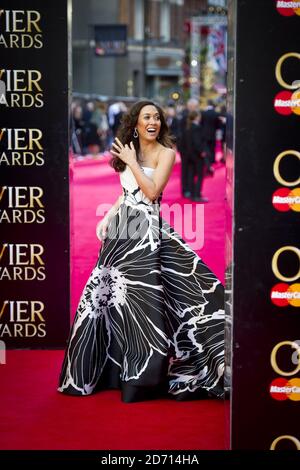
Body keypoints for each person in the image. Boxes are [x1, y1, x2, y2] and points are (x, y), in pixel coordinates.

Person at [58, 100, 225, 403]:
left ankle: (145, 374)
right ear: (135, 122)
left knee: (144, 298)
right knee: (108, 298)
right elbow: (126, 194)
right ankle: (109, 369)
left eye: (157, 118)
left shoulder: (166, 153)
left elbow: (151, 192)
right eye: (147, 117)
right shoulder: (128, 150)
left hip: (147, 230)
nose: (154, 122)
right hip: (121, 228)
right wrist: (108, 216)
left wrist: (132, 161)